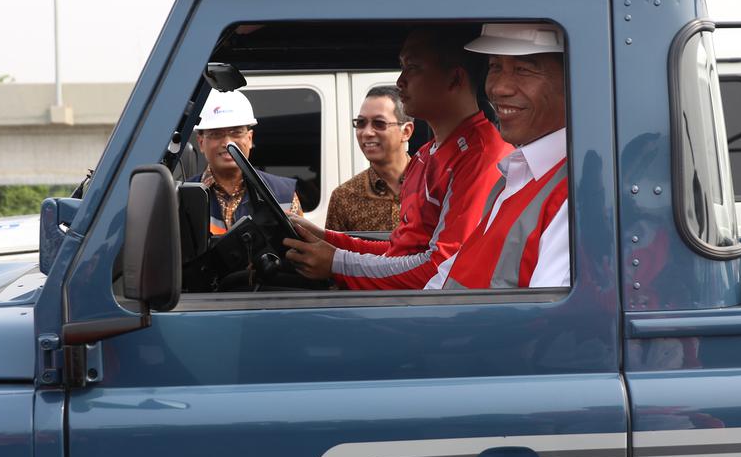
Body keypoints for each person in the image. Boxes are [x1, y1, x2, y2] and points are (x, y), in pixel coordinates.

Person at [283, 26, 512, 289]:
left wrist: (338, 262)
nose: (400, 81)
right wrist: (326, 239)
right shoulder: (426, 154)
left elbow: (441, 270)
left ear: (454, 79)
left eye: (412, 67)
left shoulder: (481, 157)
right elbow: (400, 251)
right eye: (402, 67)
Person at [426, 23, 570, 289]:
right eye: (495, 67)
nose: (499, 88)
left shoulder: (574, 195)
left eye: (523, 70)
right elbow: (453, 272)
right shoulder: (515, 173)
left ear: (573, 79)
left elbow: (550, 321)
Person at [189, 89, 302, 235]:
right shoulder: (183, 197)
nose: (227, 142)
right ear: (201, 142)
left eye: (236, 132)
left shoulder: (284, 194)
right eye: (216, 134)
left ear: (249, 139)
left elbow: (300, 253)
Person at [324, 85, 413, 232]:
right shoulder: (344, 197)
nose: (367, 132)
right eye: (361, 123)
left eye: (379, 123)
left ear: (406, 132)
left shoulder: (432, 185)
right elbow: (332, 253)